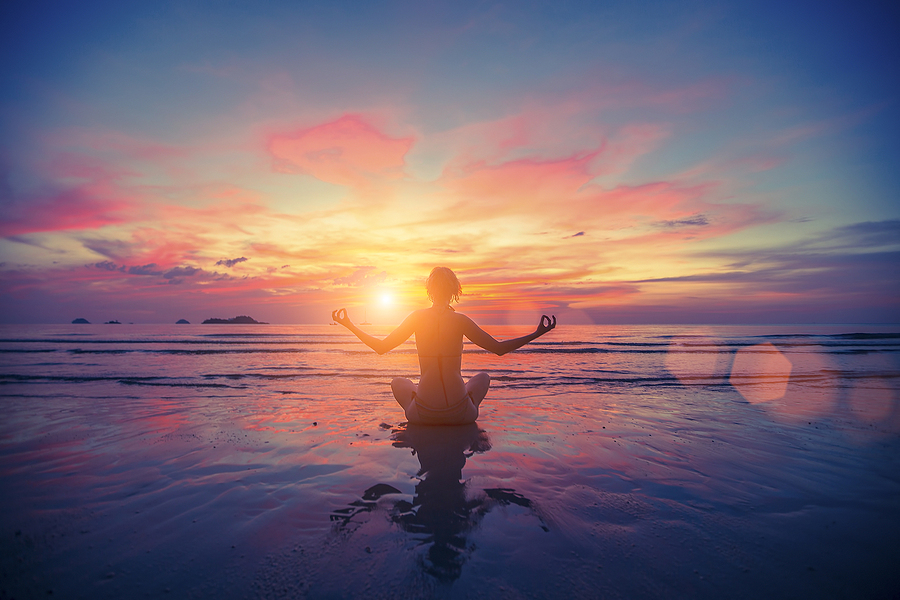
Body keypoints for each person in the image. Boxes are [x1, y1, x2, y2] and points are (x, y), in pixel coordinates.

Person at [331, 267, 556, 425]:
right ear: (454, 290)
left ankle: (420, 397)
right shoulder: (460, 321)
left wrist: (349, 324)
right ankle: (461, 401)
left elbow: (381, 347)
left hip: (422, 415)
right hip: (461, 416)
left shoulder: (416, 317)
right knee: (483, 377)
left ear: (430, 290)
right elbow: (499, 348)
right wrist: (536, 333)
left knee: (399, 382)